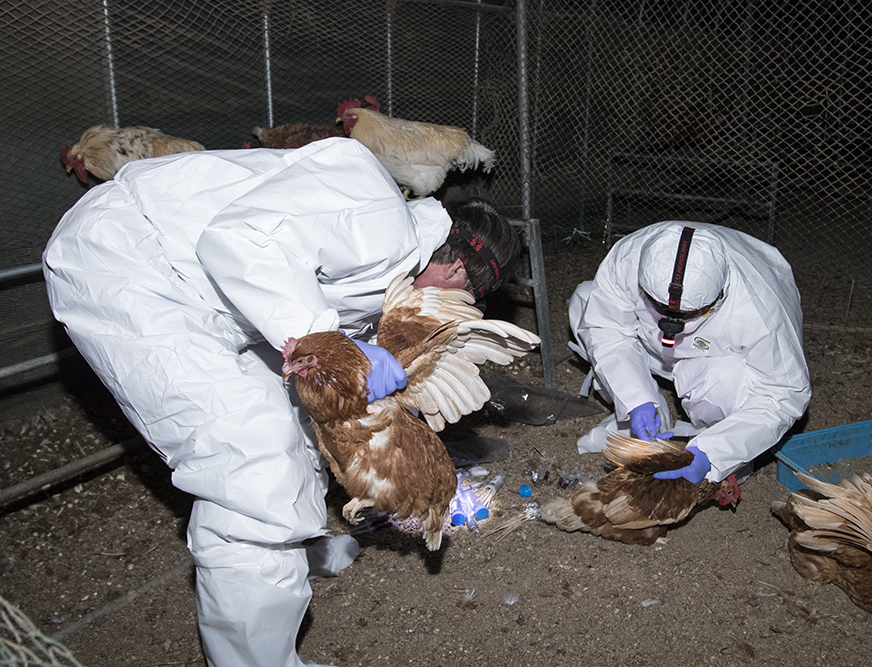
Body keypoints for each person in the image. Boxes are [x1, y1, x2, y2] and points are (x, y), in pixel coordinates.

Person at [42, 137, 520, 667]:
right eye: (464, 297)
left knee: (299, 417)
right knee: (252, 457)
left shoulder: (397, 278)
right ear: (456, 274)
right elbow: (240, 241)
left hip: (212, 297)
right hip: (130, 267)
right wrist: (337, 349)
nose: (451, 307)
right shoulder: (373, 209)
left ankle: (291, 552)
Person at [568, 221, 811, 485]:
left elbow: (782, 393)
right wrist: (635, 397)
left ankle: (716, 440)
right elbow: (608, 328)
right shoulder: (629, 257)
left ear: (719, 298)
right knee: (585, 300)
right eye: (659, 306)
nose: (672, 325)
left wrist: (713, 452)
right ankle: (650, 412)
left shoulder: (761, 310)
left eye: (690, 315)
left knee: (727, 379)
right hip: (648, 340)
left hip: (712, 357)